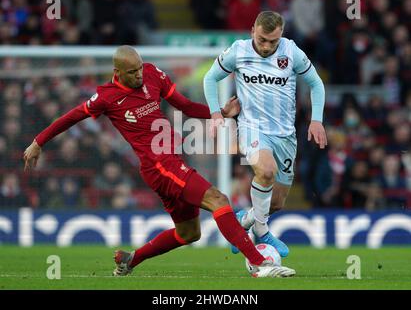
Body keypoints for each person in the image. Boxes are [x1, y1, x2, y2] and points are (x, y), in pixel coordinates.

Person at [23, 45, 295, 278]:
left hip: (168, 163)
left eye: (140, 68)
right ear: (117, 72)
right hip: (159, 165)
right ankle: (259, 264)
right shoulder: (106, 97)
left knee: (189, 233)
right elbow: (70, 117)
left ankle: (131, 260)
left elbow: (185, 106)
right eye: (132, 72)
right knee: (219, 200)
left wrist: (220, 112)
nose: (139, 74)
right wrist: (38, 142)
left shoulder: (152, 74)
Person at [204, 11, 327, 257]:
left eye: (273, 41)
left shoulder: (291, 52)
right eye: (262, 39)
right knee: (267, 171)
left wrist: (317, 120)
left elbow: (316, 83)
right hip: (252, 128)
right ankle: (261, 232)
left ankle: (246, 219)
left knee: (277, 202)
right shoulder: (238, 51)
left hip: (285, 135)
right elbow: (210, 78)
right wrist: (216, 113)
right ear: (253, 30)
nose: (267, 46)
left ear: (281, 35)